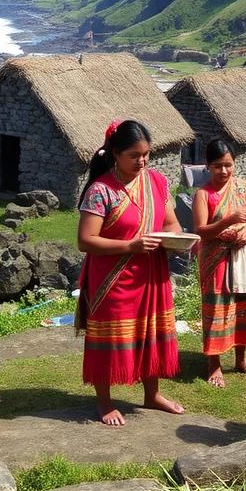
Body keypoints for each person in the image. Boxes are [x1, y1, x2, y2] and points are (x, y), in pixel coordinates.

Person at [76, 119, 186, 427]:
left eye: (146, 154)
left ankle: (152, 394)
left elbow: (170, 225)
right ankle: (104, 402)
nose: (142, 161)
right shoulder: (101, 191)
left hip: (151, 274)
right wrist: (130, 246)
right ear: (115, 153)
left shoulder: (157, 182)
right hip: (114, 279)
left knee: (150, 333)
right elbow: (86, 240)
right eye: (134, 155)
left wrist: (176, 240)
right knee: (110, 338)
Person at [193, 139, 246, 388]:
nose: (223, 171)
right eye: (217, 166)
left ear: (234, 164)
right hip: (216, 262)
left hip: (244, 257)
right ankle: (213, 364)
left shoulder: (244, 187)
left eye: (228, 165)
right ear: (208, 166)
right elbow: (202, 231)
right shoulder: (203, 195)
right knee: (218, 311)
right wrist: (230, 220)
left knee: (243, 307)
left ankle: (240, 360)